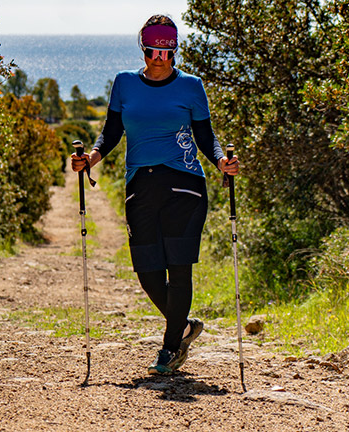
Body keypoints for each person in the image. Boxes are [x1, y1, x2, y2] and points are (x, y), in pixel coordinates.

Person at [71, 14, 239, 375]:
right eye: (152, 52)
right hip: (140, 187)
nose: (160, 59)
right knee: (148, 273)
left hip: (185, 186)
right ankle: (184, 325)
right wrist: (91, 160)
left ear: (175, 50)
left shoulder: (192, 86)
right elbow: (111, 132)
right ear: (143, 50)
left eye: (167, 52)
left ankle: (169, 349)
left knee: (179, 270)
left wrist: (222, 160)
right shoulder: (125, 84)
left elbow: (206, 136)